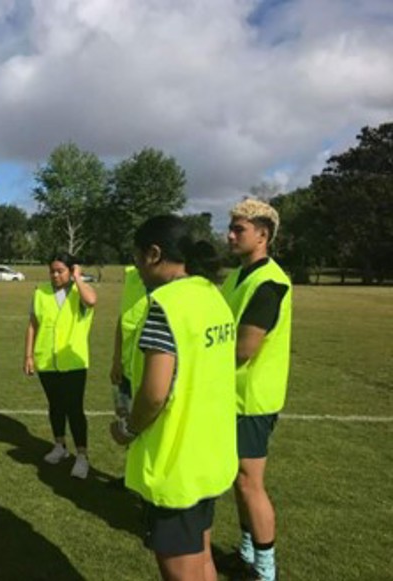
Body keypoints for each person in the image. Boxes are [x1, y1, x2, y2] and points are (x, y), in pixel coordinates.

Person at [110, 215, 237, 581]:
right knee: (202, 560)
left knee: (182, 571)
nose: (136, 267)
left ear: (153, 254)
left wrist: (128, 430)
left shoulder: (164, 305)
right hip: (210, 454)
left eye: (136, 258)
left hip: (176, 463)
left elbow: (153, 394)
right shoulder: (212, 295)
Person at [221, 199, 292, 581]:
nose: (230, 235)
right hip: (232, 396)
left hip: (251, 399)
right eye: (230, 227)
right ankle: (248, 552)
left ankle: (265, 569)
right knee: (239, 480)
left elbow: (244, 349)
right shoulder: (238, 275)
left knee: (251, 483)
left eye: (239, 229)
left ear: (262, 235)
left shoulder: (271, 283)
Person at [24, 252, 97, 479]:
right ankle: (60, 446)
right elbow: (33, 325)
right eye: (52, 271)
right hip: (46, 360)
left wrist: (77, 278)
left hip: (73, 361)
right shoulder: (41, 292)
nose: (55, 275)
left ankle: (82, 455)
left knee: (74, 409)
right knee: (55, 405)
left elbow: (92, 301)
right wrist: (28, 355)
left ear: (71, 270)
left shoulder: (79, 291)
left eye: (60, 270)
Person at [108, 265, 149, 485]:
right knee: (127, 422)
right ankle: (132, 476)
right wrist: (116, 360)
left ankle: (144, 484)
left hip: (149, 371)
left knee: (146, 427)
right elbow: (122, 321)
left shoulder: (167, 279)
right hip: (126, 369)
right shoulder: (133, 275)